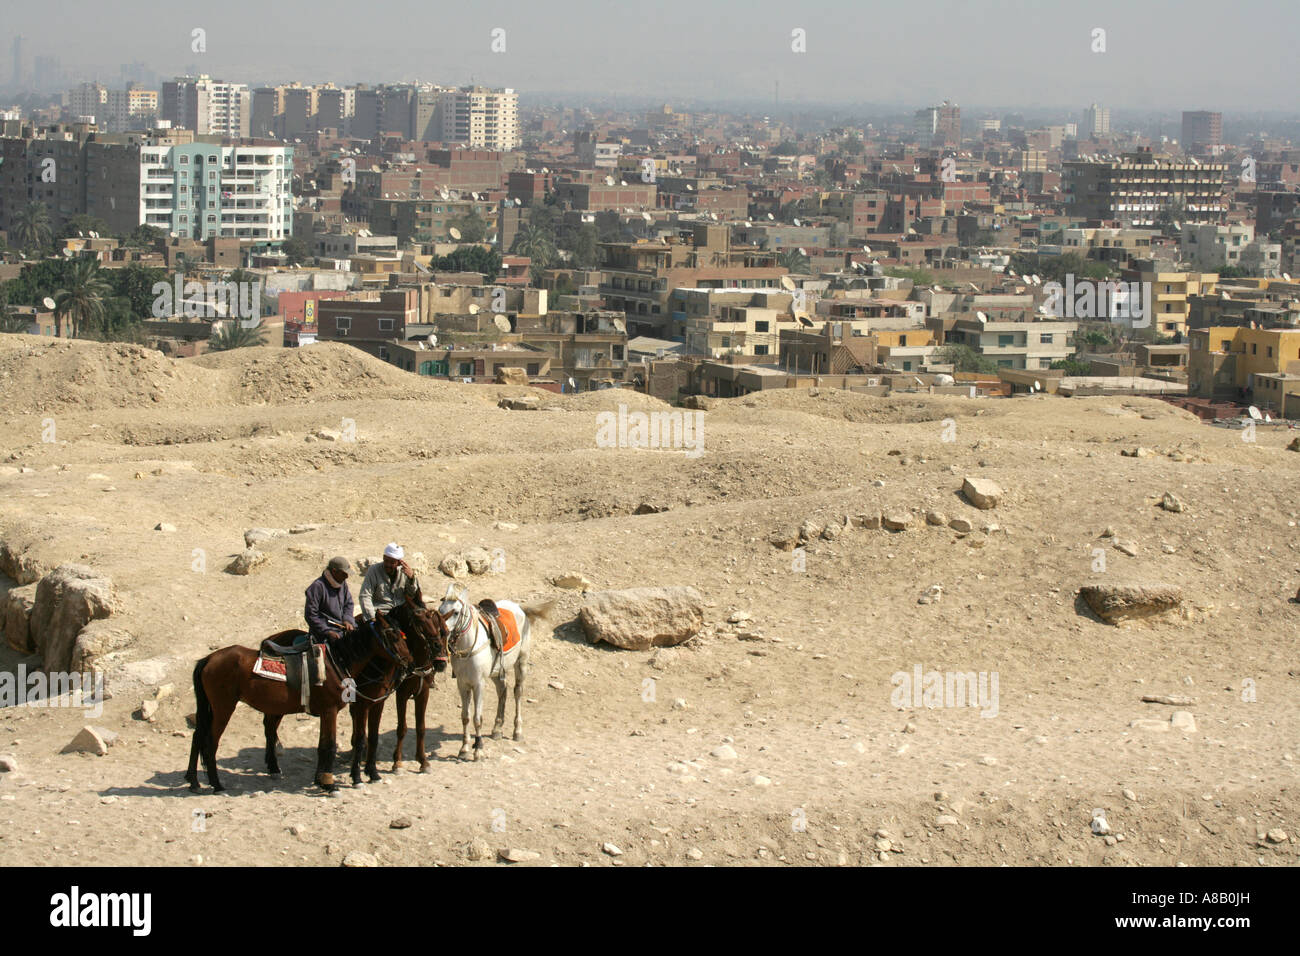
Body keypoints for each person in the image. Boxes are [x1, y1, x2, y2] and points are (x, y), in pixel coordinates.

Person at [304, 556, 355, 685]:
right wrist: (327, 631)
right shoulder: (317, 587)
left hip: (341, 629)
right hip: (323, 634)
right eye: (344, 574)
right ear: (334, 571)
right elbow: (311, 615)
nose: (346, 577)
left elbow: (349, 604)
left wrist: (347, 620)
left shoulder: (342, 584)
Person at [359, 543, 422, 640]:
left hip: (401, 613)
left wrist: (412, 578)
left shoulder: (405, 572)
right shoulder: (374, 570)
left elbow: (412, 595)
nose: (388, 565)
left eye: (392, 562)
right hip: (381, 614)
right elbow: (365, 595)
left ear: (399, 562)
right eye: (386, 561)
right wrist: (371, 617)